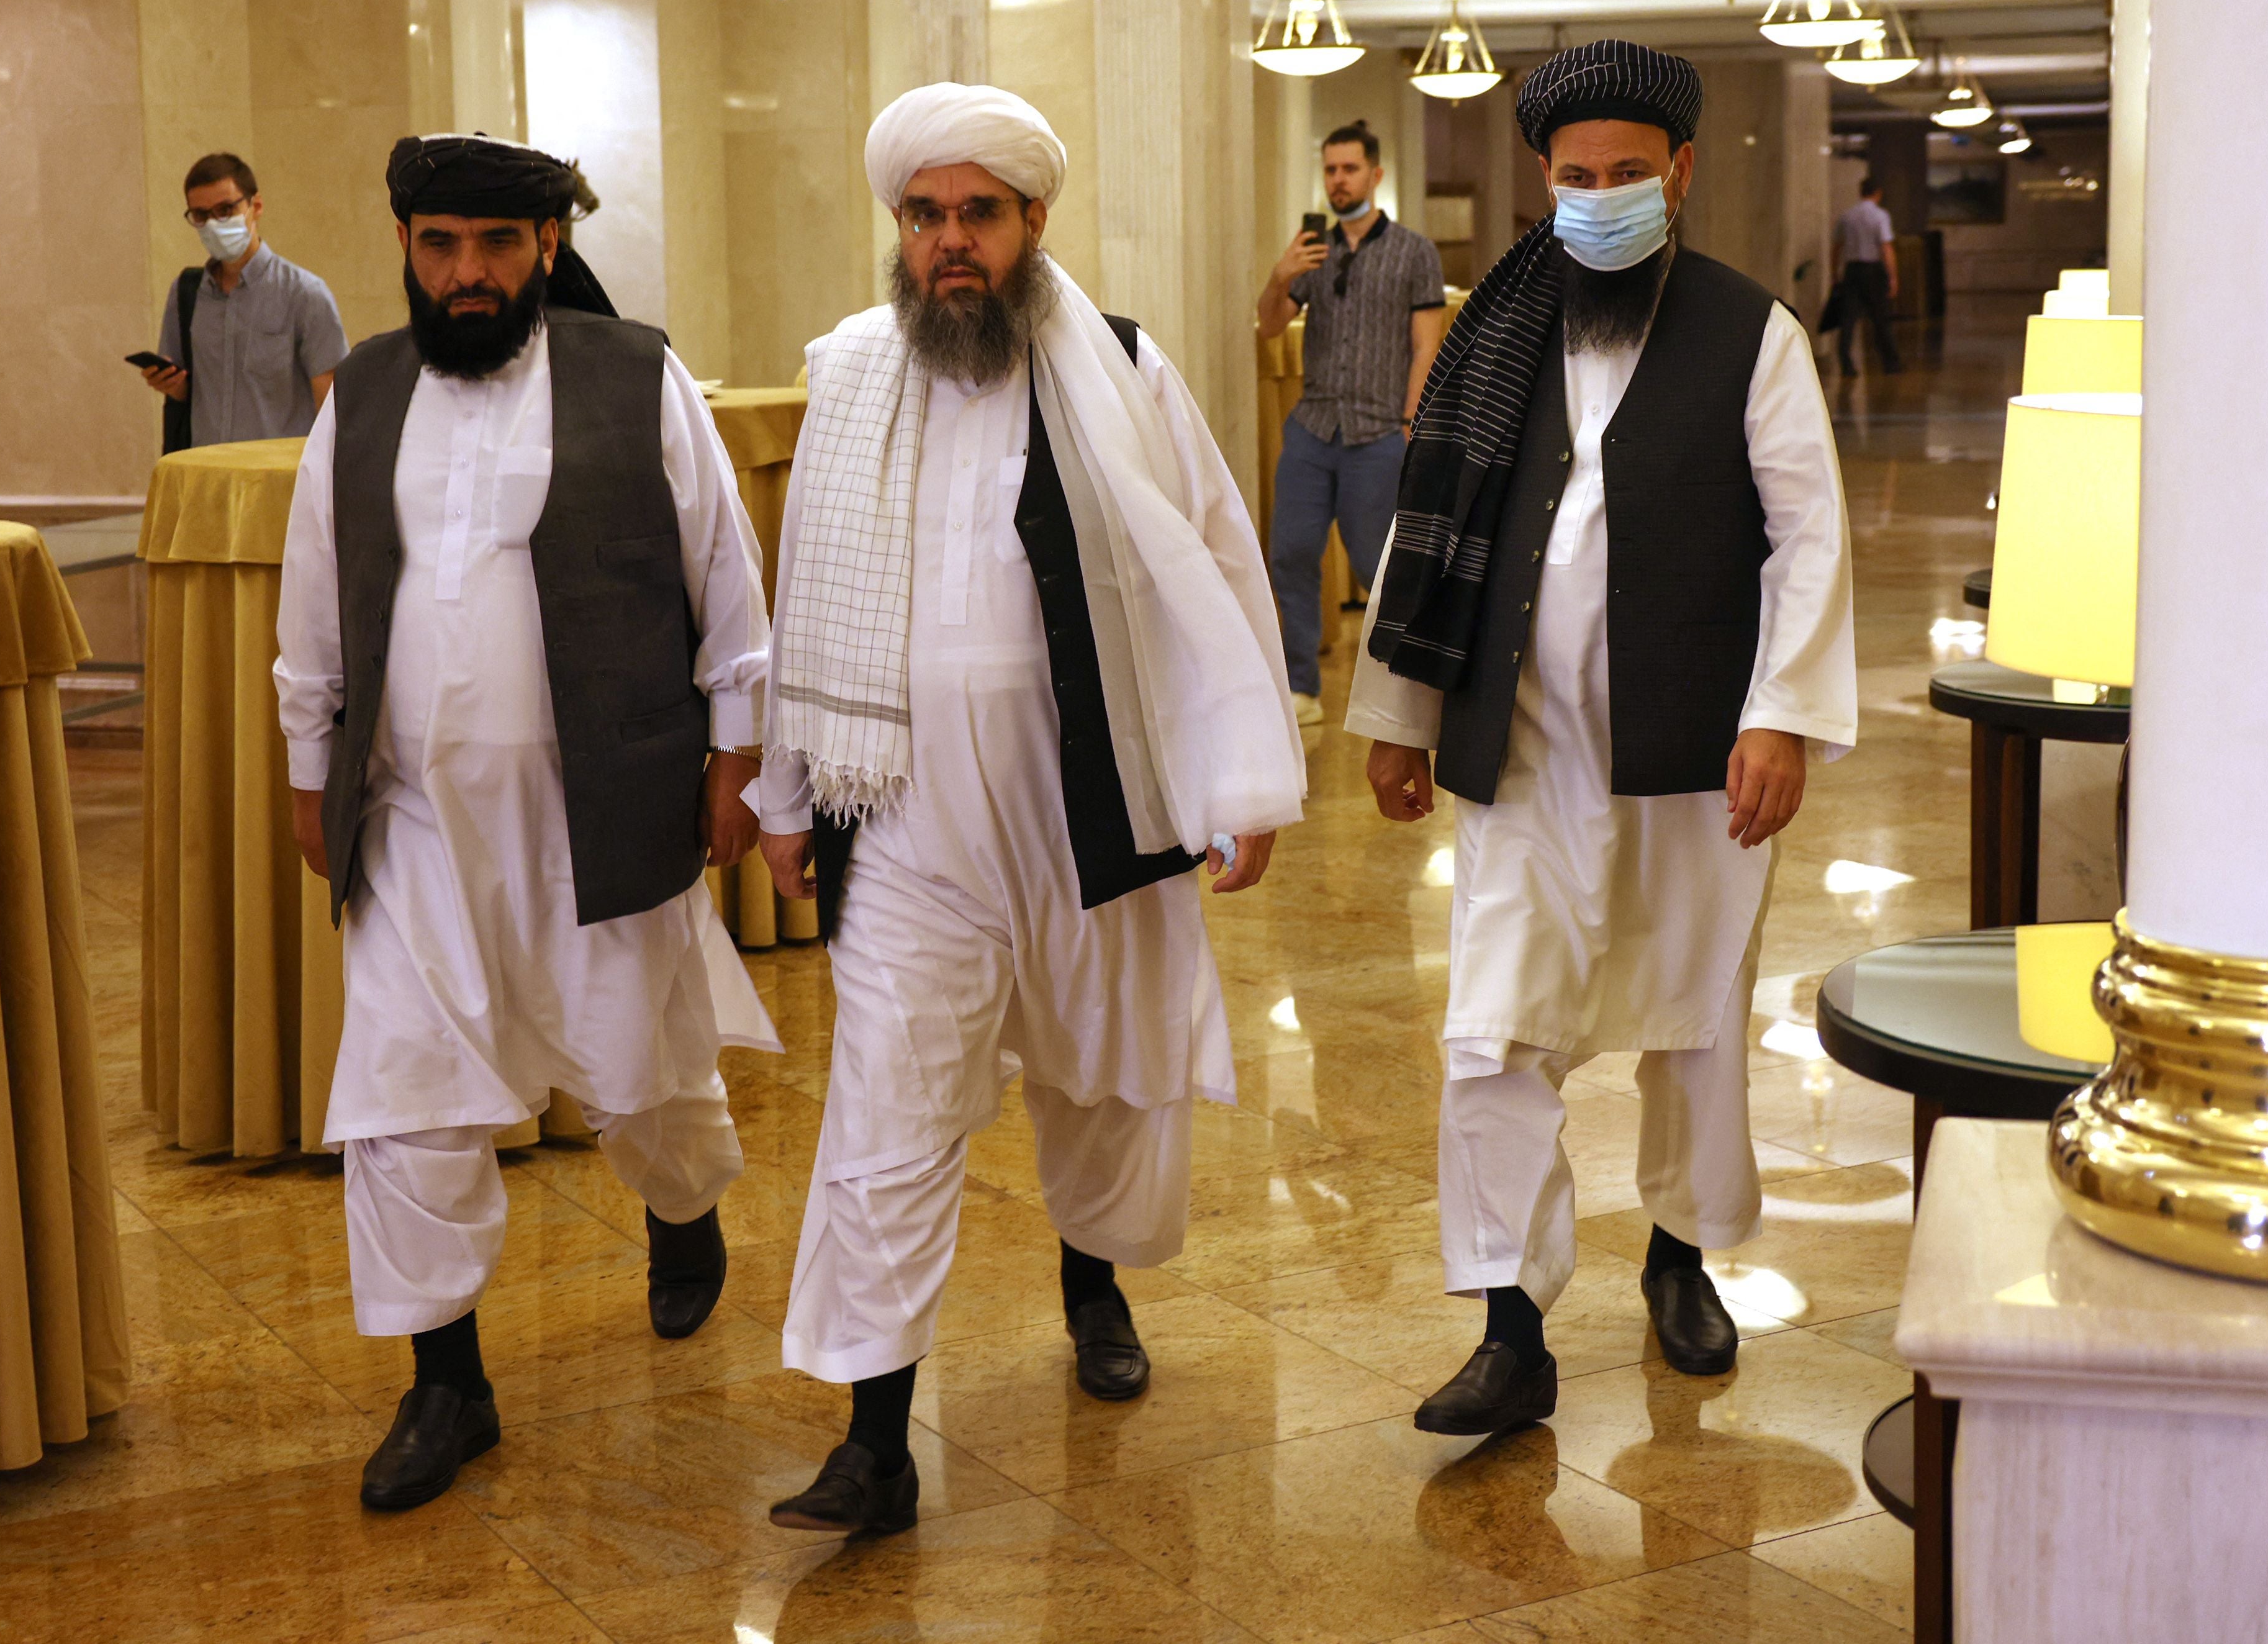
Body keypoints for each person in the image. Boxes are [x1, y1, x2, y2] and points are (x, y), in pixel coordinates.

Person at [752, 84, 1306, 1535]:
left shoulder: (1118, 364)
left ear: (1029, 223)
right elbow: (799, 590)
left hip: (1092, 807)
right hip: (910, 825)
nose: (950, 243)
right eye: (924, 216)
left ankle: (1093, 1279)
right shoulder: (852, 371)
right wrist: (780, 786)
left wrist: (1241, 769)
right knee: (884, 1110)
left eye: (976, 214)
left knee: (1103, 1079)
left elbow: (1212, 559)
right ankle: (874, 1434)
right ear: (897, 228)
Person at [1349, 41, 1856, 1435]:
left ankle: (1679, 1261)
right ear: (1541, 181)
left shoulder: (1747, 331)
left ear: (1678, 175)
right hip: (1518, 753)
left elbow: (1806, 534)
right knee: (1489, 1035)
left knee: (1690, 1024)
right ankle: (1509, 1327)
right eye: (1574, 179)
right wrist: (1397, 716)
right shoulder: (1492, 335)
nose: (1597, 200)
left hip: (1693, 750)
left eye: (1626, 176)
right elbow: (1423, 527)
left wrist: (1780, 717)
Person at [273, 133, 778, 1511]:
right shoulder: (362, 395)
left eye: (497, 246)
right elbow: (315, 594)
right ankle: (446, 1384)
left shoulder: (637, 376)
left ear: (546, 247)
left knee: (647, 1074)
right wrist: (309, 765)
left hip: (599, 810)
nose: (468, 273)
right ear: (406, 247)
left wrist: (738, 751)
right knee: (404, 1106)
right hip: (416, 823)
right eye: (440, 245)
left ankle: (683, 1218)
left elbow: (722, 575)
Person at [1256, 119, 1450, 728]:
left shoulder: (1413, 251)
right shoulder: (1313, 249)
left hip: (1376, 434)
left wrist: (1409, 420)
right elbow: (1266, 326)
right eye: (1330, 171)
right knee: (1289, 554)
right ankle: (1300, 687)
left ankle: (1408, 686)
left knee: (1377, 565)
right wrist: (1281, 275)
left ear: (1374, 174)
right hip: (1312, 429)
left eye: (1348, 169)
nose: (1338, 181)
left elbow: (1427, 345)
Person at [142, 152, 348, 445]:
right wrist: (170, 384)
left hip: (277, 479)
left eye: (226, 209)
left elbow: (332, 406)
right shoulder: (186, 292)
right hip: (208, 474)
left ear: (256, 206)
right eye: (201, 215)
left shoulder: (304, 293)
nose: (214, 224)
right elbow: (189, 390)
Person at [1829, 176, 1902, 376]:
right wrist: (1893, 276)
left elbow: (1836, 247)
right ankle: (1890, 363)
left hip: (1852, 271)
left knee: (1849, 319)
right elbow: (1886, 247)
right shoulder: (1880, 216)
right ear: (1878, 193)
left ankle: (1846, 364)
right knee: (1881, 318)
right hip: (1874, 271)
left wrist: (1835, 273)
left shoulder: (1847, 216)